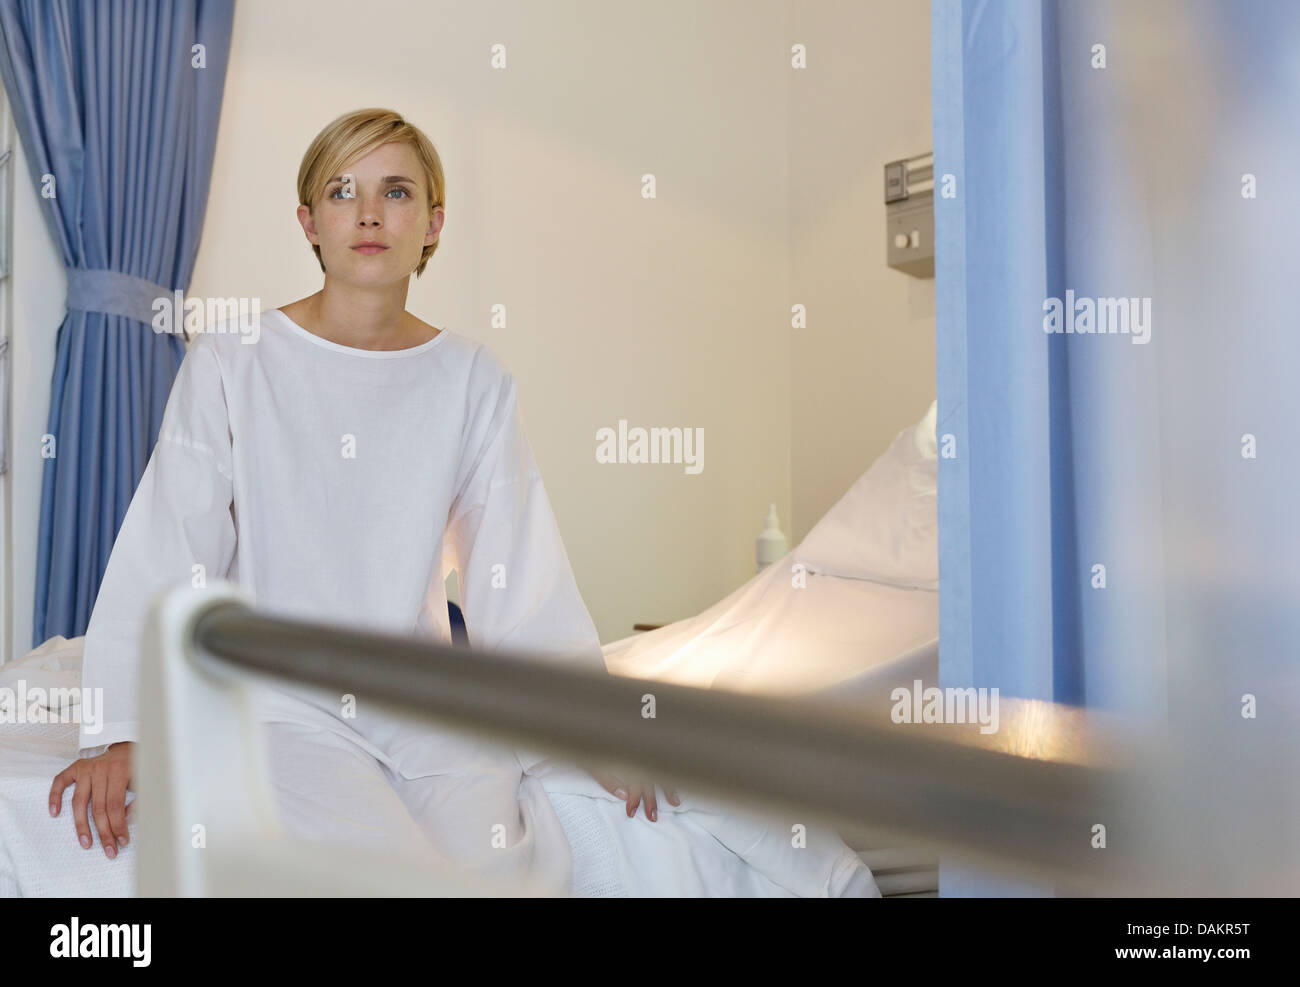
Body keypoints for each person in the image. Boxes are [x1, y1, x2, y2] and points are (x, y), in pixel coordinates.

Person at [47, 108, 676, 889]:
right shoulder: (233, 364)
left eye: (397, 192)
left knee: (494, 865)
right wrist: (124, 728)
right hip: (276, 701)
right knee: (375, 870)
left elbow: (518, 575)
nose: (370, 213)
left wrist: (594, 727)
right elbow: (169, 547)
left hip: (425, 707)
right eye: (343, 192)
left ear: (433, 221)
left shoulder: (471, 379)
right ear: (310, 221)